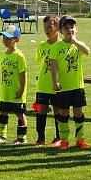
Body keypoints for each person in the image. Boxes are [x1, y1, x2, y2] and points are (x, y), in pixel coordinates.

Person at [51, 16, 91, 150]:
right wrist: (55, 81)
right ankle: (64, 140)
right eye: (66, 28)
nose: (69, 30)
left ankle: (81, 139)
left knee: (78, 113)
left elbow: (87, 51)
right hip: (63, 87)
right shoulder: (57, 47)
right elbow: (54, 66)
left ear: (76, 29)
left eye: (72, 27)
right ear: (61, 31)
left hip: (77, 86)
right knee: (63, 113)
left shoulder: (78, 45)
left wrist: (75, 41)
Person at [0, 26, 27, 145]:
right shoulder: (3, 54)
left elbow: (23, 74)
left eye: (8, 38)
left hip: (17, 91)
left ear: (17, 39)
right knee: (3, 112)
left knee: (19, 114)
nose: (5, 40)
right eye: (3, 37)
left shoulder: (19, 56)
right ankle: (2, 136)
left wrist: (21, 89)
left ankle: (21, 137)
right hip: (5, 91)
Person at [33, 13, 61, 147]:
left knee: (58, 110)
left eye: (50, 27)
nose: (47, 30)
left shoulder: (62, 45)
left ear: (58, 27)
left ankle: (58, 137)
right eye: (45, 27)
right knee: (41, 110)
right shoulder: (42, 45)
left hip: (57, 84)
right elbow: (40, 62)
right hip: (43, 84)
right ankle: (40, 138)